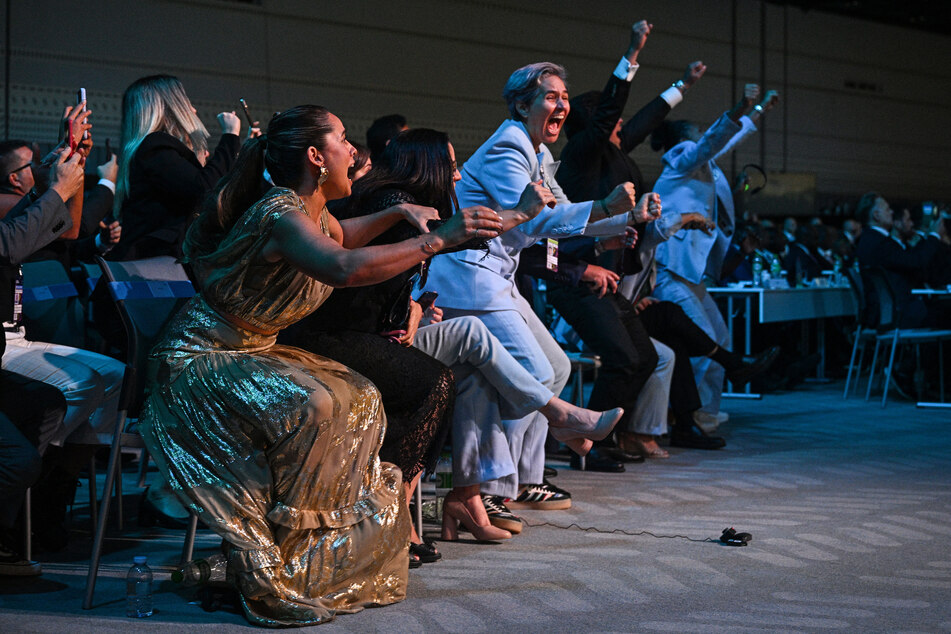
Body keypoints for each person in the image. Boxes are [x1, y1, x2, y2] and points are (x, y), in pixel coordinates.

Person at [138, 105, 504, 626]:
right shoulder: (281, 213)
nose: (354, 150)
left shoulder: (311, 208)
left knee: (360, 396)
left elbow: (343, 236)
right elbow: (340, 265)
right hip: (202, 357)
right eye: (343, 139)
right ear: (316, 156)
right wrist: (437, 238)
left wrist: (400, 215)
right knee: (316, 403)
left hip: (252, 347)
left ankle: (305, 560)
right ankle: (264, 560)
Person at [426, 60, 657, 527]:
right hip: (468, 279)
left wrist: (624, 219)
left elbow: (566, 213)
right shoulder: (506, 148)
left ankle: (526, 477)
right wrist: (607, 208)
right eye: (550, 96)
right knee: (525, 373)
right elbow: (538, 219)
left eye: (563, 98)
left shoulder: (534, 154)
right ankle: (486, 487)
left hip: (498, 279)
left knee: (555, 366)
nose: (561, 105)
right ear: (522, 104)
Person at [650, 84, 779, 427]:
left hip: (691, 274)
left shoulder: (705, 167)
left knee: (719, 338)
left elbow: (729, 139)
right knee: (704, 342)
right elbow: (714, 140)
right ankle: (689, 414)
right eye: (699, 133)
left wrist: (760, 110)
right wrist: (740, 107)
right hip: (669, 270)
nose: (706, 136)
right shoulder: (680, 160)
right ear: (685, 140)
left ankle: (706, 410)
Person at [110, 74, 255, 260]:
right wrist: (230, 135)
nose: (193, 110)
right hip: (157, 263)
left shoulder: (157, 149)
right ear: (170, 108)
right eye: (185, 102)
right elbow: (204, 188)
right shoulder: (155, 146)